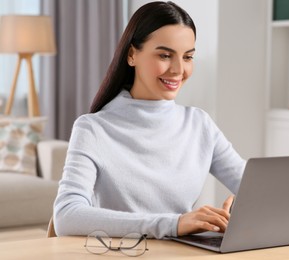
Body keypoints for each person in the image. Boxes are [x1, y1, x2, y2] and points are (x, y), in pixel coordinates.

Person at [53, 1, 246, 239]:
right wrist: (173, 224)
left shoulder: (199, 124)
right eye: (165, 55)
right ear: (132, 54)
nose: (178, 69)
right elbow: (66, 217)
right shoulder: (93, 129)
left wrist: (242, 211)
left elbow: (255, 187)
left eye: (187, 57)